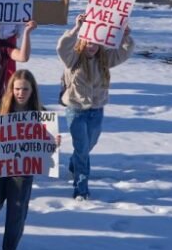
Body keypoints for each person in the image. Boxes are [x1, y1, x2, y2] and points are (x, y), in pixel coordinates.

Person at [0, 70, 56, 250]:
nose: (21, 93)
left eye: (25, 89)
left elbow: (46, 144)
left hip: (22, 168)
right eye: (17, 89)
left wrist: (53, 143)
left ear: (32, 90)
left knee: (17, 209)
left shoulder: (40, 114)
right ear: (11, 89)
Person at [57, 13, 134, 200]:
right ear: (83, 41)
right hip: (76, 110)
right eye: (88, 43)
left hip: (97, 110)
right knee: (82, 149)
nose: (92, 47)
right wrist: (76, 28)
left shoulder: (105, 59)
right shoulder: (73, 58)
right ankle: (81, 189)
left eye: (95, 43)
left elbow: (124, 52)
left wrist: (125, 36)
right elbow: (62, 47)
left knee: (88, 145)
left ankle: (74, 163)